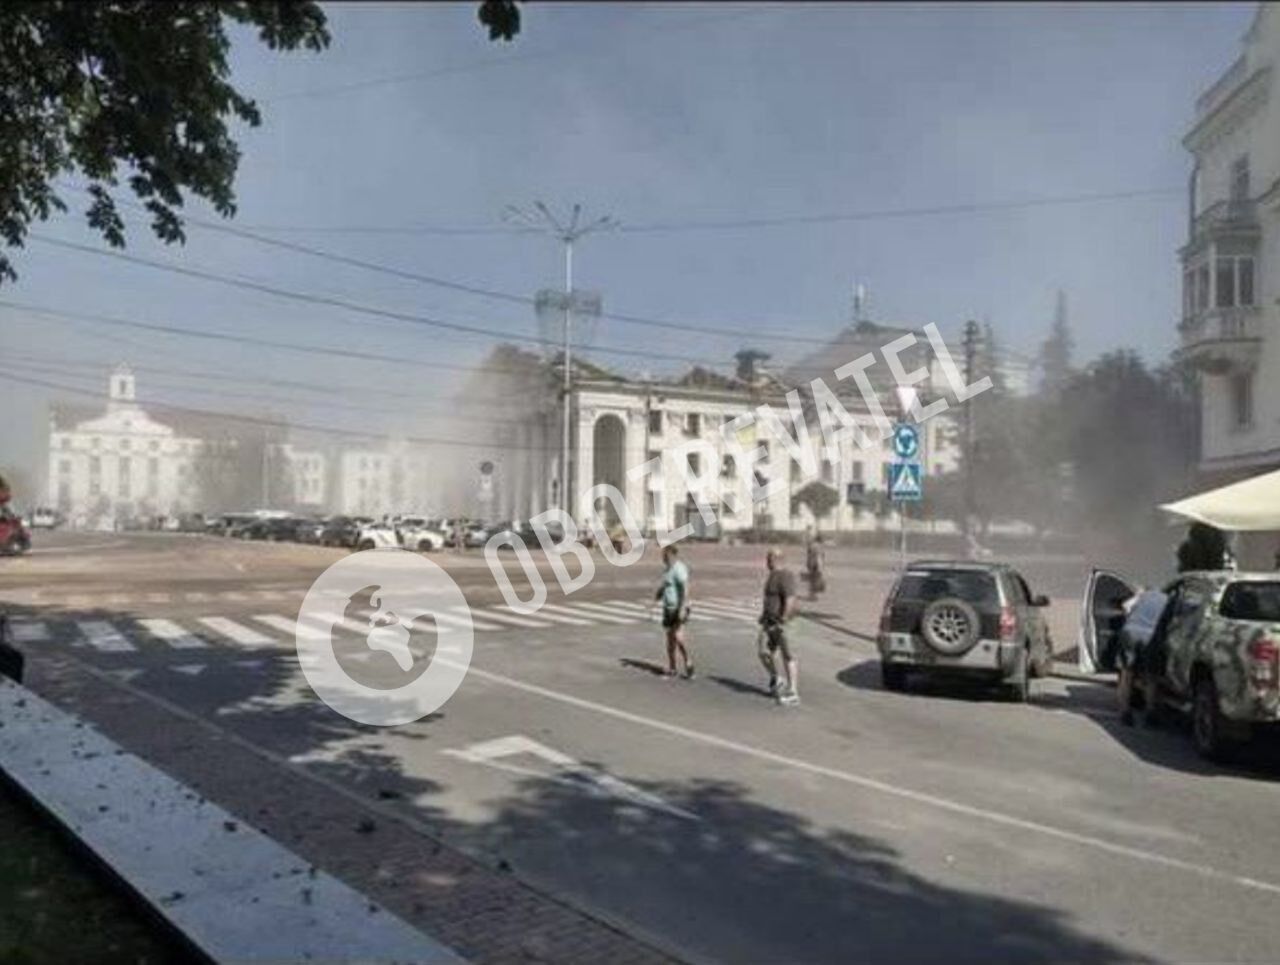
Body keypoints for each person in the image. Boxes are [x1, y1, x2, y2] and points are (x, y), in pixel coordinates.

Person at [759, 547, 800, 705]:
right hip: (769, 622)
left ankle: (793, 692)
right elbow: (769, 599)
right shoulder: (772, 576)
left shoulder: (785, 576)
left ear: (775, 559)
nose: (766, 562)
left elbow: (790, 599)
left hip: (782, 623)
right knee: (763, 651)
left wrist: (783, 619)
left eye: (768, 559)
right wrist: (764, 616)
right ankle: (777, 678)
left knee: (788, 655)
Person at [654, 545, 694, 679]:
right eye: (663, 557)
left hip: (678, 608)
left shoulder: (679, 569)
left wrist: (682, 607)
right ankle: (673, 667)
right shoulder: (668, 569)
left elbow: (685, 588)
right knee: (670, 638)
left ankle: (688, 661)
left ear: (672, 555)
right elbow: (667, 584)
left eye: (665, 556)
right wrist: (660, 593)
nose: (663, 559)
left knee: (677, 636)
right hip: (668, 608)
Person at [804, 533, 826, 601]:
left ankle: (812, 595)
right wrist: (820, 566)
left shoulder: (812, 545)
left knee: (812, 580)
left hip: (811, 564)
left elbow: (809, 555)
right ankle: (813, 595)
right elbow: (820, 556)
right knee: (815, 580)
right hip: (816, 564)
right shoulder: (819, 546)